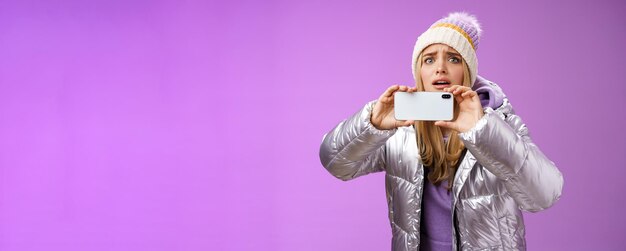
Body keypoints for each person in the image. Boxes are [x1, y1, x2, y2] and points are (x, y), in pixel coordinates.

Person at [318, 12, 563, 251]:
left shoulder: (499, 121)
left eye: (454, 59)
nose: (440, 68)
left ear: (468, 71)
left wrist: (483, 131)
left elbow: (544, 195)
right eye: (429, 59)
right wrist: (372, 124)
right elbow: (336, 163)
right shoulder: (400, 129)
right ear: (419, 73)